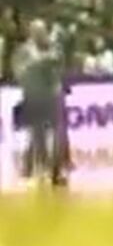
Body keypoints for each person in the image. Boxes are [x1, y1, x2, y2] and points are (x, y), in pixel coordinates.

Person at [12, 19, 65, 186]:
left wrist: (38, 60)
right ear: (31, 33)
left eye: (42, 31)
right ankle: (39, 167)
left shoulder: (53, 47)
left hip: (52, 94)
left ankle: (56, 169)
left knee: (57, 133)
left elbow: (57, 59)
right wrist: (34, 64)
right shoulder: (23, 50)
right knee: (37, 134)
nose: (40, 34)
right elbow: (19, 72)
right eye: (36, 31)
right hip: (34, 96)